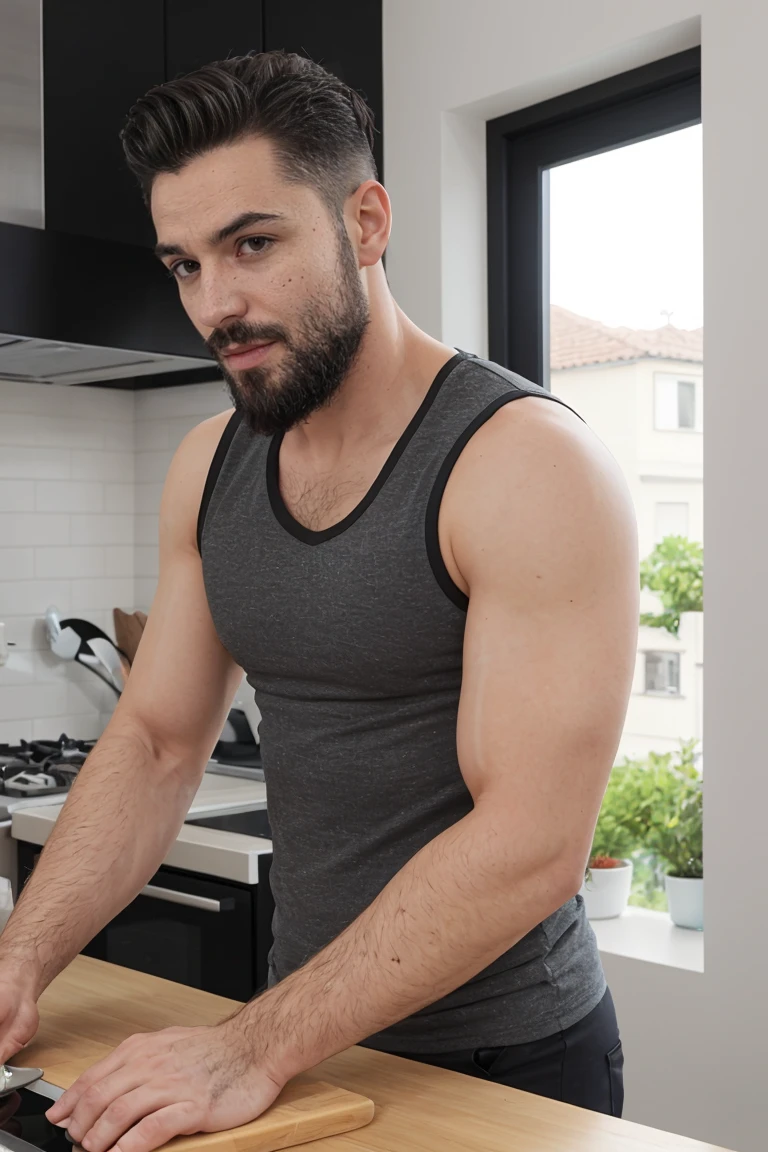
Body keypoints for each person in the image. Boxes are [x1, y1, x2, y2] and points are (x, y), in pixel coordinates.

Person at [0, 52, 639, 1152]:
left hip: (504, 1061)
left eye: (254, 244)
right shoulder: (210, 464)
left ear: (368, 220)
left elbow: (535, 841)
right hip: (306, 1033)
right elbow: (156, 743)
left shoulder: (523, 465)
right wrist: (19, 958)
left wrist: (250, 1046)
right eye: (185, 264)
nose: (217, 303)